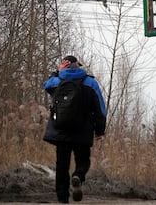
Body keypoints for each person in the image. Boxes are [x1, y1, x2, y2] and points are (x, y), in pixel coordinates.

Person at [43, 55, 107, 203]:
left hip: (61, 131)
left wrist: (57, 72)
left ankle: (62, 199)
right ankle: (78, 175)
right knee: (83, 161)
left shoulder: (57, 81)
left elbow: (46, 85)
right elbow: (100, 109)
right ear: (77, 65)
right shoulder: (90, 83)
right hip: (83, 131)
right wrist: (100, 130)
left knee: (62, 165)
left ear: (64, 65)